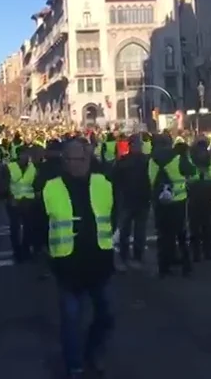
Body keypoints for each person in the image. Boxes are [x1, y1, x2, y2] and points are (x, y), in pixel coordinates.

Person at [41, 139, 115, 379]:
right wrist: (48, 254)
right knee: (71, 320)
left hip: (99, 263)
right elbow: (39, 223)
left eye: (82, 159)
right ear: (64, 162)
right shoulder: (51, 187)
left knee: (106, 316)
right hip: (68, 266)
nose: (78, 164)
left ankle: (93, 351)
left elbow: (112, 213)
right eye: (73, 159)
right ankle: (75, 365)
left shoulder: (103, 183)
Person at [149, 134, 195, 277]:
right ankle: (186, 267)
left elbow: (148, 179)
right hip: (178, 201)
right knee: (181, 234)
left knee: (163, 235)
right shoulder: (178, 157)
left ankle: (164, 267)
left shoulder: (152, 160)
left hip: (160, 202)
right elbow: (191, 171)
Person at [111, 134, 151, 270]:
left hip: (127, 200)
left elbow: (114, 181)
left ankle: (124, 257)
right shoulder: (147, 161)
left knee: (126, 231)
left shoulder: (122, 162)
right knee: (139, 231)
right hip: (141, 199)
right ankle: (137, 257)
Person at [188, 142, 211, 262]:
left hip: (194, 192)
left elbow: (187, 177)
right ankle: (208, 251)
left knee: (194, 223)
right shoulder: (210, 161)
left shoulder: (191, 160)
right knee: (207, 223)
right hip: (207, 192)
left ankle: (196, 252)